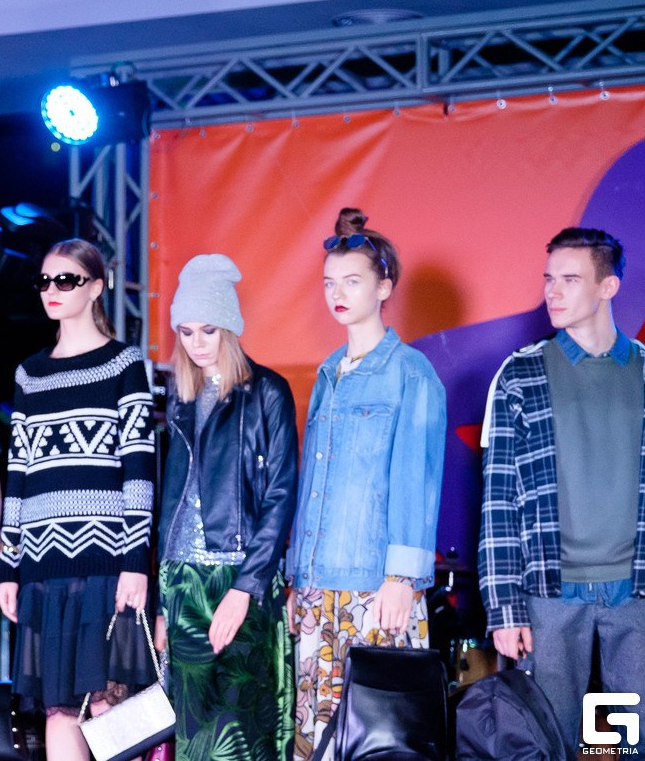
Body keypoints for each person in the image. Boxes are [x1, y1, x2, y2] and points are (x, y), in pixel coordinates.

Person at [286, 208, 446, 760]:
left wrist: (401, 578)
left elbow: (416, 480)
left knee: (378, 742)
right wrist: (297, 577)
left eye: (351, 281)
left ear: (384, 286)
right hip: (318, 588)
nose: (337, 293)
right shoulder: (328, 372)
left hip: (375, 590)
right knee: (317, 741)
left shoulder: (411, 372)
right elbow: (313, 486)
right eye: (329, 283)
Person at [479, 227, 645, 753]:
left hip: (635, 594)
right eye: (549, 278)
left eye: (569, 279)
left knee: (631, 745)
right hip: (549, 596)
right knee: (545, 744)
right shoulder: (520, 374)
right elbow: (498, 502)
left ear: (608, 287)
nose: (552, 290)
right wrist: (504, 608)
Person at [0, 238, 158, 761]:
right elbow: (18, 477)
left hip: (106, 565)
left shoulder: (123, 364)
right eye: (45, 280)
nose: (53, 290)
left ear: (96, 288)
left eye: (66, 280)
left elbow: (140, 469)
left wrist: (135, 562)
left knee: (108, 703)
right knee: (57, 709)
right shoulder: (30, 374)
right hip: (42, 568)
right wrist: (7, 569)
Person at [155, 254, 297, 761]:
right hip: (181, 581)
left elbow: (281, 495)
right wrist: (161, 603)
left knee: (241, 733)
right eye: (186, 331)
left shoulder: (268, 392)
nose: (196, 343)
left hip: (239, 577)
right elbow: (170, 499)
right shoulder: (180, 397)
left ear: (230, 328)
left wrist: (245, 587)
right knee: (193, 736)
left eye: (208, 330)